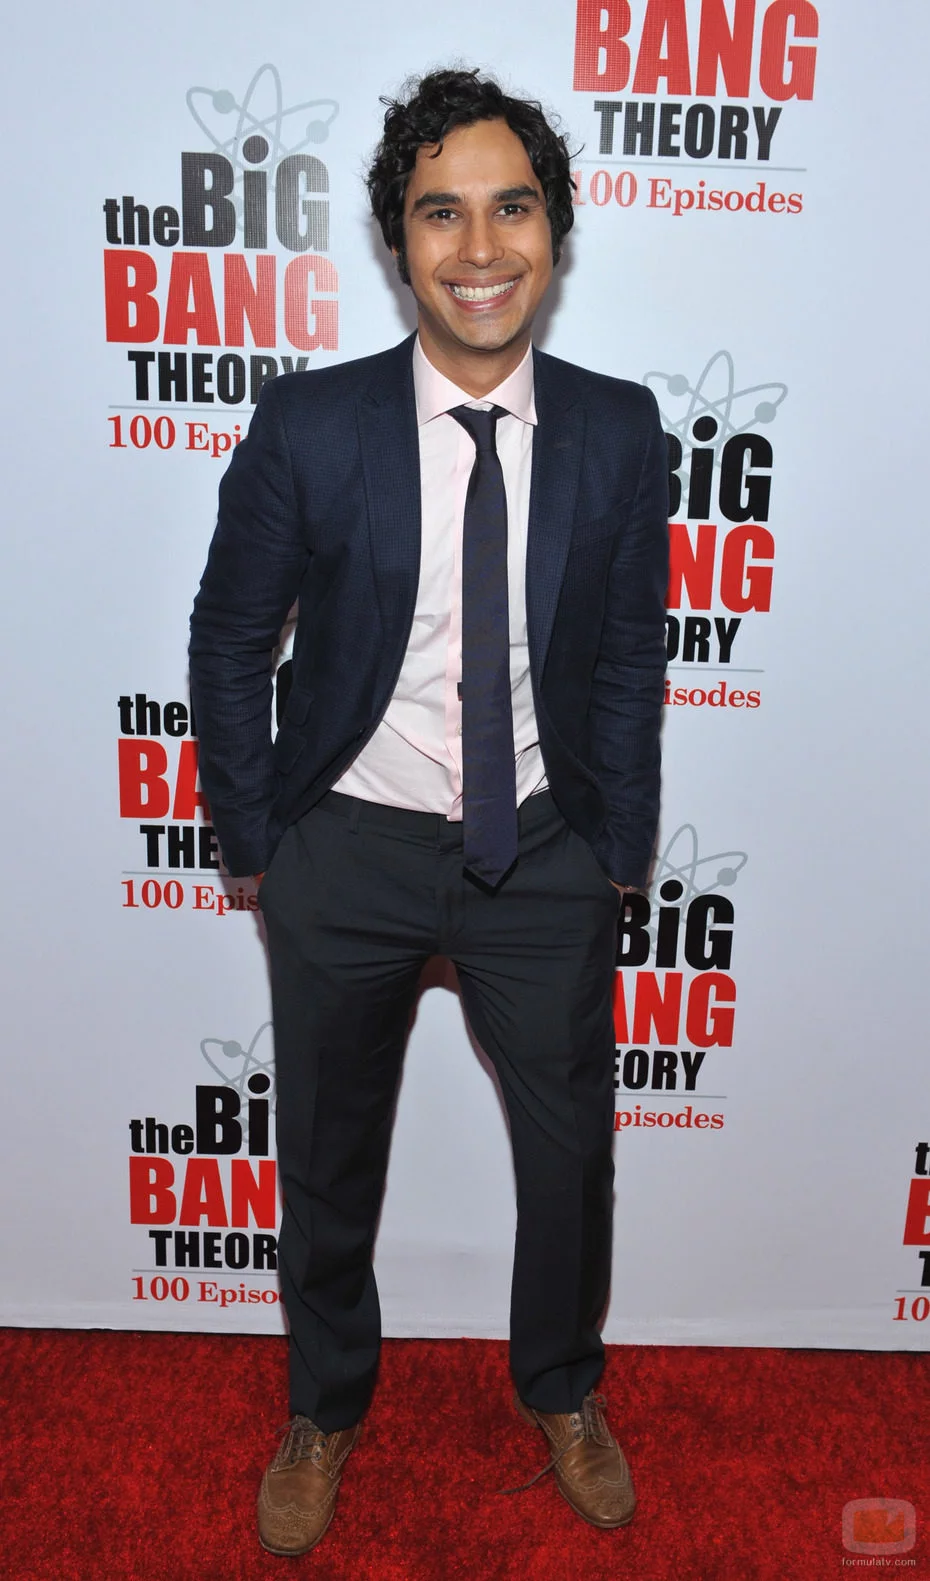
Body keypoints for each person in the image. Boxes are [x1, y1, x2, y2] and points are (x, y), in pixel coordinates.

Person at [189, 66, 668, 1557]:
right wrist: (260, 844)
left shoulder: (616, 429)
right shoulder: (313, 425)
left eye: (510, 208)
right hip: (349, 847)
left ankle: (562, 1388)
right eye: (439, 212)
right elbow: (229, 639)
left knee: (569, 1161)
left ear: (554, 233)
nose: (478, 248)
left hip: (544, 850)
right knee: (328, 1157)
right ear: (399, 242)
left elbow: (630, 657)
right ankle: (323, 1406)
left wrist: (618, 852)